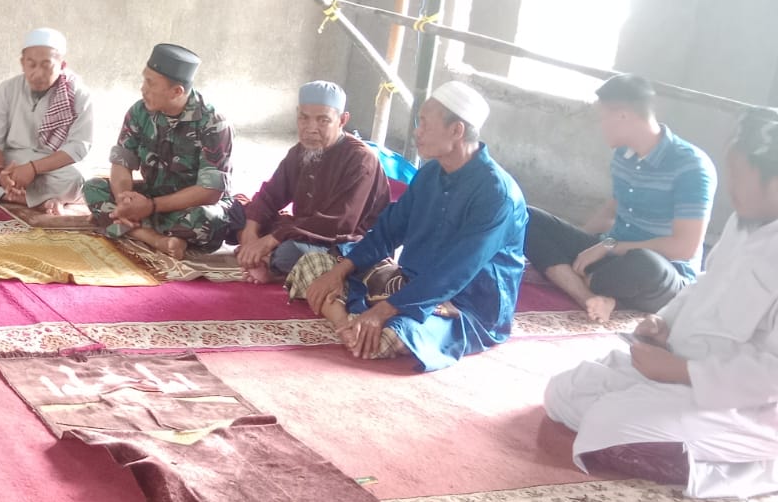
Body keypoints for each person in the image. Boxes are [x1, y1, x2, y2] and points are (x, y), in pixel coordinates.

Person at [544, 107, 778, 499]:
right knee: (564, 391)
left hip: (742, 405)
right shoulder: (744, 223)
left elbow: (771, 376)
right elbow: (705, 283)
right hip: (677, 365)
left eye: (739, 174)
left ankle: (752, 464)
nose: (731, 185)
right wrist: (662, 321)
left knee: (609, 422)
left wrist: (685, 371)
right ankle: (679, 441)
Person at [304, 81, 528, 370]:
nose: (417, 131)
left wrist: (382, 311)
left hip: (465, 304)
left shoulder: (497, 195)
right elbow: (388, 231)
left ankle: (358, 323)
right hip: (408, 283)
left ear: (456, 130)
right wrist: (339, 271)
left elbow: (457, 272)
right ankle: (348, 325)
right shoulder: (430, 174)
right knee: (315, 264)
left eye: (424, 124)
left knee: (390, 336)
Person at [523, 74, 714, 321]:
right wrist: (579, 246)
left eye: (603, 118)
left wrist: (607, 246)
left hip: (661, 272)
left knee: (644, 264)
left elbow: (684, 248)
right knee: (525, 217)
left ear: (623, 116)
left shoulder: (691, 166)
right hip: (612, 258)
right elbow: (612, 210)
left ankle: (580, 281)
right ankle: (589, 296)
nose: (601, 126)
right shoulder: (623, 155)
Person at [83, 43, 242, 258]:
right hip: (151, 196)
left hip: (189, 205)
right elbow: (121, 162)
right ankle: (154, 238)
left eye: (150, 83)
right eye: (144, 80)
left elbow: (210, 192)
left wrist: (151, 207)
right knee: (93, 187)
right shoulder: (139, 111)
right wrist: (124, 201)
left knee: (207, 220)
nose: (143, 89)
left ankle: (127, 226)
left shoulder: (213, 123)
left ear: (177, 91)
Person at [236, 81, 390, 284]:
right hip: (302, 231)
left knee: (289, 253)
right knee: (237, 212)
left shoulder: (360, 159)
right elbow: (270, 195)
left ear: (342, 120)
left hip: (344, 243)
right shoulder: (299, 151)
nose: (310, 129)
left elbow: (337, 224)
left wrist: (270, 241)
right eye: (304, 118)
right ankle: (263, 258)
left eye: (323, 120)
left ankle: (270, 264)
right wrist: (251, 231)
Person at [0, 27, 94, 213]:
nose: (38, 73)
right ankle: (37, 201)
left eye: (46, 65)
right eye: (31, 64)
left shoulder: (79, 95)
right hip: (12, 162)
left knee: (76, 180)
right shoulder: (7, 89)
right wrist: (0, 174)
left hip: (53, 167)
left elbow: (78, 147)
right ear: (22, 63)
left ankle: (4, 195)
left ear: (62, 65)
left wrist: (33, 169)